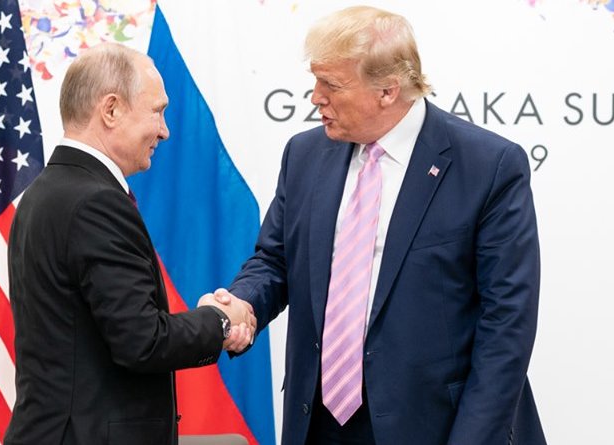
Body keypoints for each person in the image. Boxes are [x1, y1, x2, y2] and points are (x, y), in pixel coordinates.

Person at [220, 6, 546, 445]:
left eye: (331, 85)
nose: (315, 96)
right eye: (315, 80)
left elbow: (506, 325)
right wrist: (244, 305)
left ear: (388, 91)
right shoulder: (305, 155)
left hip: (434, 427)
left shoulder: (488, 166)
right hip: (318, 423)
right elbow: (276, 260)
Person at [4, 43, 255, 445]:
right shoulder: (95, 202)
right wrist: (219, 321)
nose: (165, 130)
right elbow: (142, 341)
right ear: (111, 110)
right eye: (157, 110)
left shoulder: (43, 193)